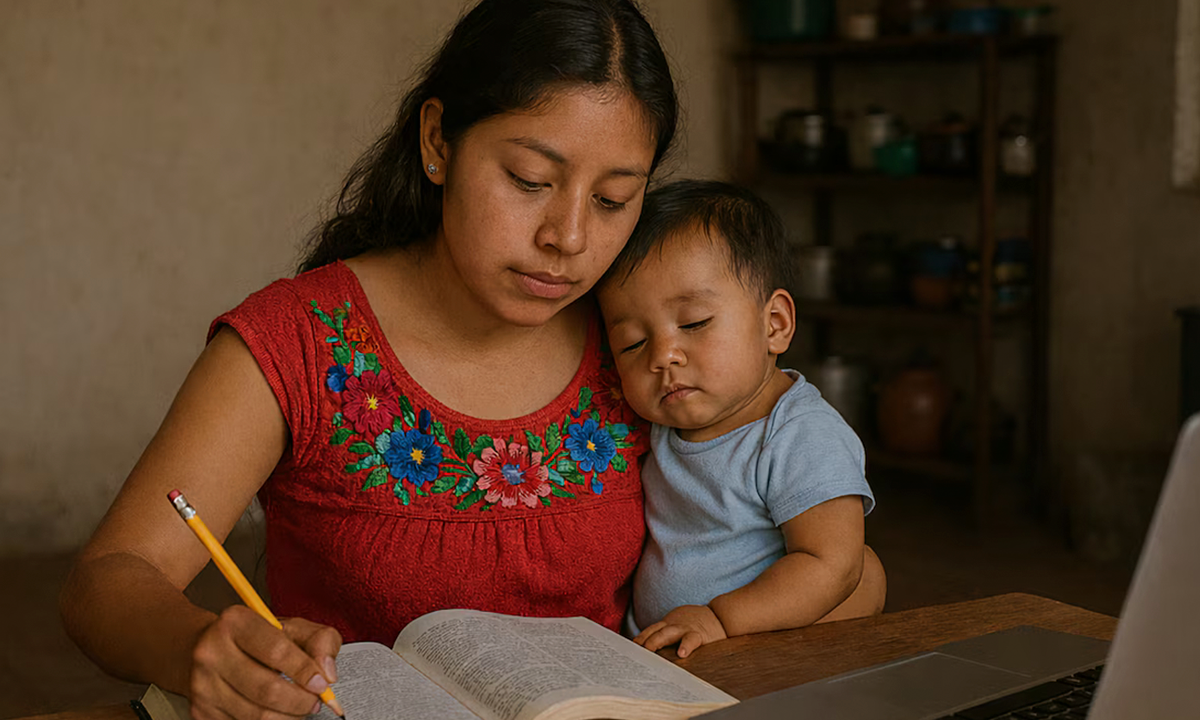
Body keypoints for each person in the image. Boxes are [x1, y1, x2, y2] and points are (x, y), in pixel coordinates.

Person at [59, 1, 677, 718]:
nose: (568, 237)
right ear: (439, 139)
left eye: (612, 199)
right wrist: (196, 642)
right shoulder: (301, 339)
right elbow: (105, 580)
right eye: (531, 181)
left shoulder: (638, 340)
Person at [595, 179, 885, 659]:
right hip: (660, 648)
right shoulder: (659, 423)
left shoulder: (798, 435)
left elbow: (830, 564)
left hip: (748, 649)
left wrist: (722, 619)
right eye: (631, 343)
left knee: (863, 572)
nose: (663, 356)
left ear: (774, 325)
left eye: (693, 324)